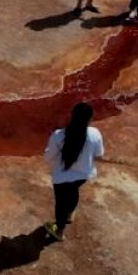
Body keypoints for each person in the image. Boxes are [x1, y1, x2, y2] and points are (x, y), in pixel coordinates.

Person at [42, 102, 105, 242]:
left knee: (60, 203)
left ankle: (59, 231)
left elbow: (48, 157)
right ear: (90, 118)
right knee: (73, 192)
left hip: (62, 178)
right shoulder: (95, 134)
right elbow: (99, 155)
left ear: (72, 116)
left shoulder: (58, 136)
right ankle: (69, 215)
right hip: (83, 175)